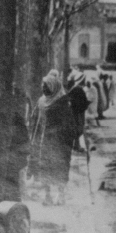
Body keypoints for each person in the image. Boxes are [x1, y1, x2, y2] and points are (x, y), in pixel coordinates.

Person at [29, 71, 79, 206]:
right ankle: (47, 195)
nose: (43, 88)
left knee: (60, 168)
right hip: (44, 142)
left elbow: (70, 125)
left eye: (46, 86)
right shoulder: (41, 101)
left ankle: (61, 194)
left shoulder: (63, 103)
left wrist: (66, 139)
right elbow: (35, 120)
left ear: (54, 87)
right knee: (45, 168)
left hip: (59, 144)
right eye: (43, 86)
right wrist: (34, 137)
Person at [68, 71, 89, 153]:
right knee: (78, 129)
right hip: (78, 112)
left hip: (76, 111)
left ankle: (76, 145)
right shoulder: (79, 89)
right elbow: (83, 102)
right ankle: (76, 146)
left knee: (77, 129)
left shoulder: (74, 88)